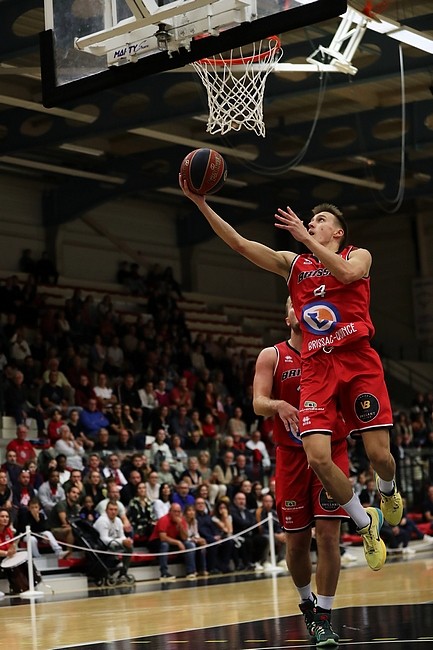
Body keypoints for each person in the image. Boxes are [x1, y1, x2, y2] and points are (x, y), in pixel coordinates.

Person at [180, 181, 402, 572]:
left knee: (379, 455)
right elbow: (239, 244)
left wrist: (305, 238)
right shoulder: (294, 265)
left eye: (321, 220)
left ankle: (388, 490)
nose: (312, 223)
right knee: (317, 457)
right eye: (310, 221)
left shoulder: (358, 254)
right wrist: (200, 203)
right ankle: (366, 522)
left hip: (357, 359)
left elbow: (347, 274)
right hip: (317, 366)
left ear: (338, 232)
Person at [253, 298, 350, 645]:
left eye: (308, 304)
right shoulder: (272, 355)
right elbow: (258, 403)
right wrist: (278, 405)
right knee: (295, 543)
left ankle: (324, 615)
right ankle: (307, 603)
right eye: (296, 305)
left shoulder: (332, 353)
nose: (302, 309)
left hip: (331, 451)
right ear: (287, 317)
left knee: (328, 536)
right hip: (291, 457)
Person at [148, 503, 197, 581]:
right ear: (170, 512)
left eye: (179, 512)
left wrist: (180, 525)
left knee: (189, 544)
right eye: (175, 511)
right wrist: (178, 542)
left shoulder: (181, 520)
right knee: (165, 545)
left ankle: (190, 571)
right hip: (156, 542)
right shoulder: (164, 519)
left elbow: (184, 537)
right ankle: (164, 573)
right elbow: (163, 538)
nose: (177, 514)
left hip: (171, 541)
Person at [93, 501, 133, 578]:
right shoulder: (102, 521)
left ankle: (123, 572)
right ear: (106, 510)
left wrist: (127, 540)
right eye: (111, 509)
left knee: (129, 547)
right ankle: (110, 571)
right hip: (101, 546)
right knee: (118, 546)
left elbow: (122, 536)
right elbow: (103, 539)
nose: (113, 512)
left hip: (113, 543)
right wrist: (122, 541)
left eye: (115, 510)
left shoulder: (118, 520)